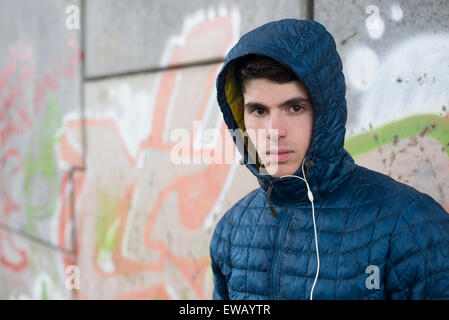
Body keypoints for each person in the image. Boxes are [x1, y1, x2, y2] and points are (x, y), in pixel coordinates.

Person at [209, 19, 449, 300]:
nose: (273, 132)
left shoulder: (412, 225)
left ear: (327, 113)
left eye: (295, 107)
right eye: (259, 111)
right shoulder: (232, 229)